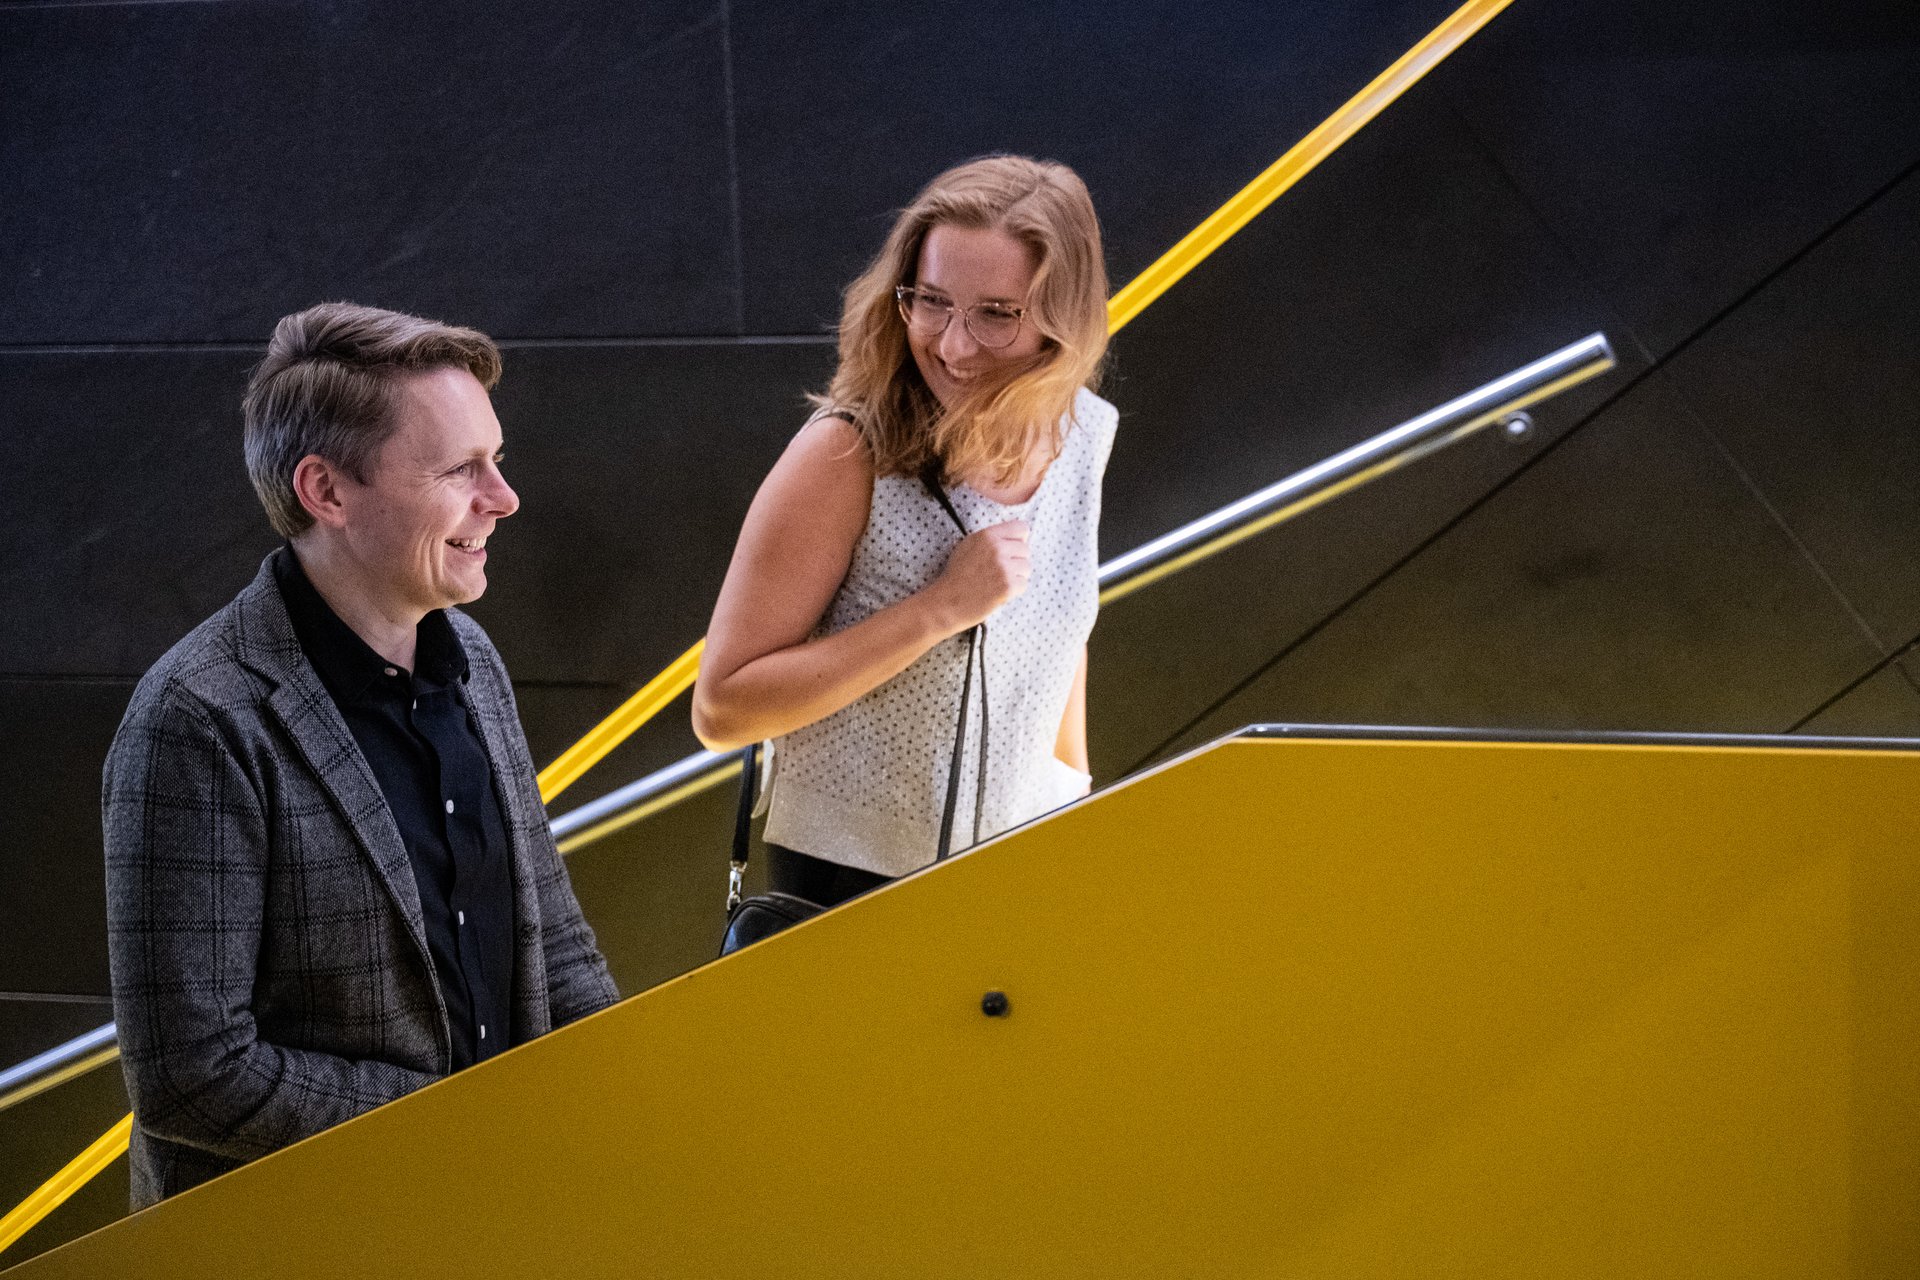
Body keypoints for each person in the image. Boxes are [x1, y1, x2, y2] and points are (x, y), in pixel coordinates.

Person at [103, 302, 618, 1208]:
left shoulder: (471, 657)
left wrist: (628, 1103)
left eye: (496, 459)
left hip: (495, 1207)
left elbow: (556, 945)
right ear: (327, 491)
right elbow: (193, 1076)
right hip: (300, 1236)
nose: (503, 498)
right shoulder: (198, 718)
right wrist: (470, 1126)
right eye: (459, 469)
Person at [692, 155, 1115, 905]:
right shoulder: (846, 454)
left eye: (996, 314)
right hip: (851, 889)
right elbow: (722, 709)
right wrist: (939, 610)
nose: (953, 345)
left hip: (1021, 873)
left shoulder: (1081, 431)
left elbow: (1055, 642)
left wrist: (1075, 808)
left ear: (1063, 318)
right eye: (931, 302)